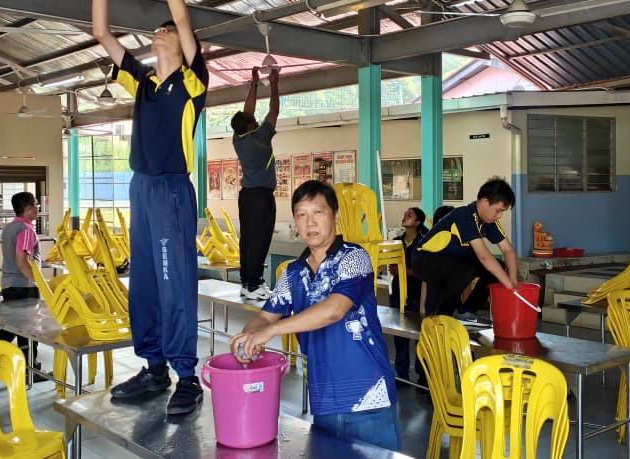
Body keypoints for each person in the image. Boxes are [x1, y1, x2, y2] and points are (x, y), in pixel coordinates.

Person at [92, 0, 209, 415]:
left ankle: (187, 377)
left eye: (168, 30)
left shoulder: (193, 82)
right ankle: (155, 368)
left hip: (171, 190)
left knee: (174, 283)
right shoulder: (142, 81)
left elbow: (181, 16)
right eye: (157, 30)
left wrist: (178, 20)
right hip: (140, 188)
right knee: (143, 283)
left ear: (184, 43)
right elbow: (101, 32)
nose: (161, 32)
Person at [229, 180, 401, 450]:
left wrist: (270, 332)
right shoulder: (293, 273)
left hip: (370, 398)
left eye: (318, 212)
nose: (310, 222)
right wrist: (248, 336)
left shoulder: (354, 257)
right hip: (324, 402)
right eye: (301, 214)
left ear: (335, 215)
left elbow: (334, 310)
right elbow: (265, 316)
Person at [412, 178, 518, 319]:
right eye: (498, 210)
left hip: (451, 259)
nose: (499, 216)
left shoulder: (489, 222)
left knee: (498, 267)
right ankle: (442, 313)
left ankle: (466, 311)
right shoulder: (465, 216)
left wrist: (514, 282)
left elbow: (508, 250)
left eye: (502, 212)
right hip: (424, 259)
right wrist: (509, 286)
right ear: (485, 202)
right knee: (465, 271)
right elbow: (484, 257)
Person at [230, 65, 280, 300]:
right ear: (250, 126)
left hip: (246, 197)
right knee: (260, 239)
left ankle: (246, 282)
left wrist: (255, 83)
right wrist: (275, 83)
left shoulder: (238, 138)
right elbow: (274, 110)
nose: (257, 120)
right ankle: (254, 285)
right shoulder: (261, 137)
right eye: (253, 120)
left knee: (248, 239)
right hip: (261, 197)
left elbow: (247, 111)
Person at [0, 192, 46, 382]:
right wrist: (39, 282)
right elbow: (22, 261)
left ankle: (29, 367)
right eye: (36, 204)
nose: (38, 208)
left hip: (9, 284)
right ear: (29, 207)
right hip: (23, 286)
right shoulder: (26, 229)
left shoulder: (9, 228)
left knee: (17, 327)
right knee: (28, 329)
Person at [388, 207, 427, 381]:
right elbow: (392, 268)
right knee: (399, 336)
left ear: (417, 222)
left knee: (420, 337)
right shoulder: (396, 242)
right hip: (398, 293)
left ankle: (422, 376)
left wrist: (404, 271)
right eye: (404, 214)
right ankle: (402, 375)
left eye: (409, 215)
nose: (405, 217)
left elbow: (424, 271)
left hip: (417, 295)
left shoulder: (424, 243)